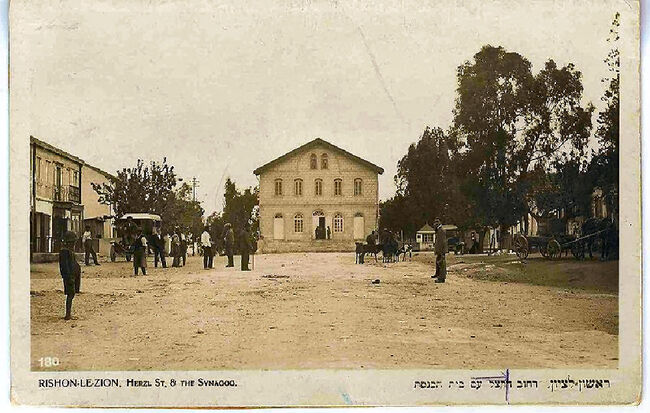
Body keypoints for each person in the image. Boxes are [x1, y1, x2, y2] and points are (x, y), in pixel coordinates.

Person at [59, 231, 80, 320]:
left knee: (72, 293)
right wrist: (68, 276)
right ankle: (68, 314)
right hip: (69, 276)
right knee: (70, 294)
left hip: (72, 275)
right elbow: (65, 266)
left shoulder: (69, 251)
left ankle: (68, 313)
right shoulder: (64, 252)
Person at [432, 218, 447, 283]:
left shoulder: (441, 231)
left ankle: (441, 278)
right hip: (440, 249)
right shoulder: (439, 230)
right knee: (438, 262)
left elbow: (441, 242)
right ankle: (438, 274)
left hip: (441, 250)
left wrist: (440, 251)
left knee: (441, 263)